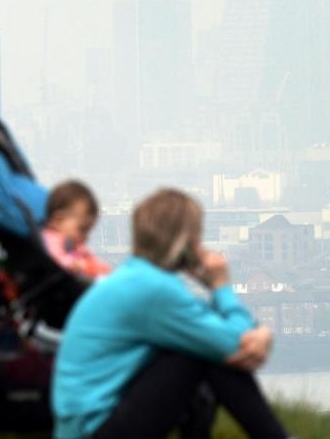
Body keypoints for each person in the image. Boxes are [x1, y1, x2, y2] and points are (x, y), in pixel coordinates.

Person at [52, 188, 287, 439]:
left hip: (83, 427)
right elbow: (235, 345)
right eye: (196, 236)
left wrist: (250, 333)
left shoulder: (137, 277)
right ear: (184, 242)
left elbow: (216, 332)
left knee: (199, 344)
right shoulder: (156, 290)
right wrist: (221, 286)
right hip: (94, 430)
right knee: (201, 353)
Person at [42, 179, 111, 279]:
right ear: (58, 220)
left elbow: (93, 262)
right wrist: (77, 265)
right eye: (82, 229)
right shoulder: (49, 240)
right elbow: (56, 260)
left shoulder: (74, 244)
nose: (86, 238)